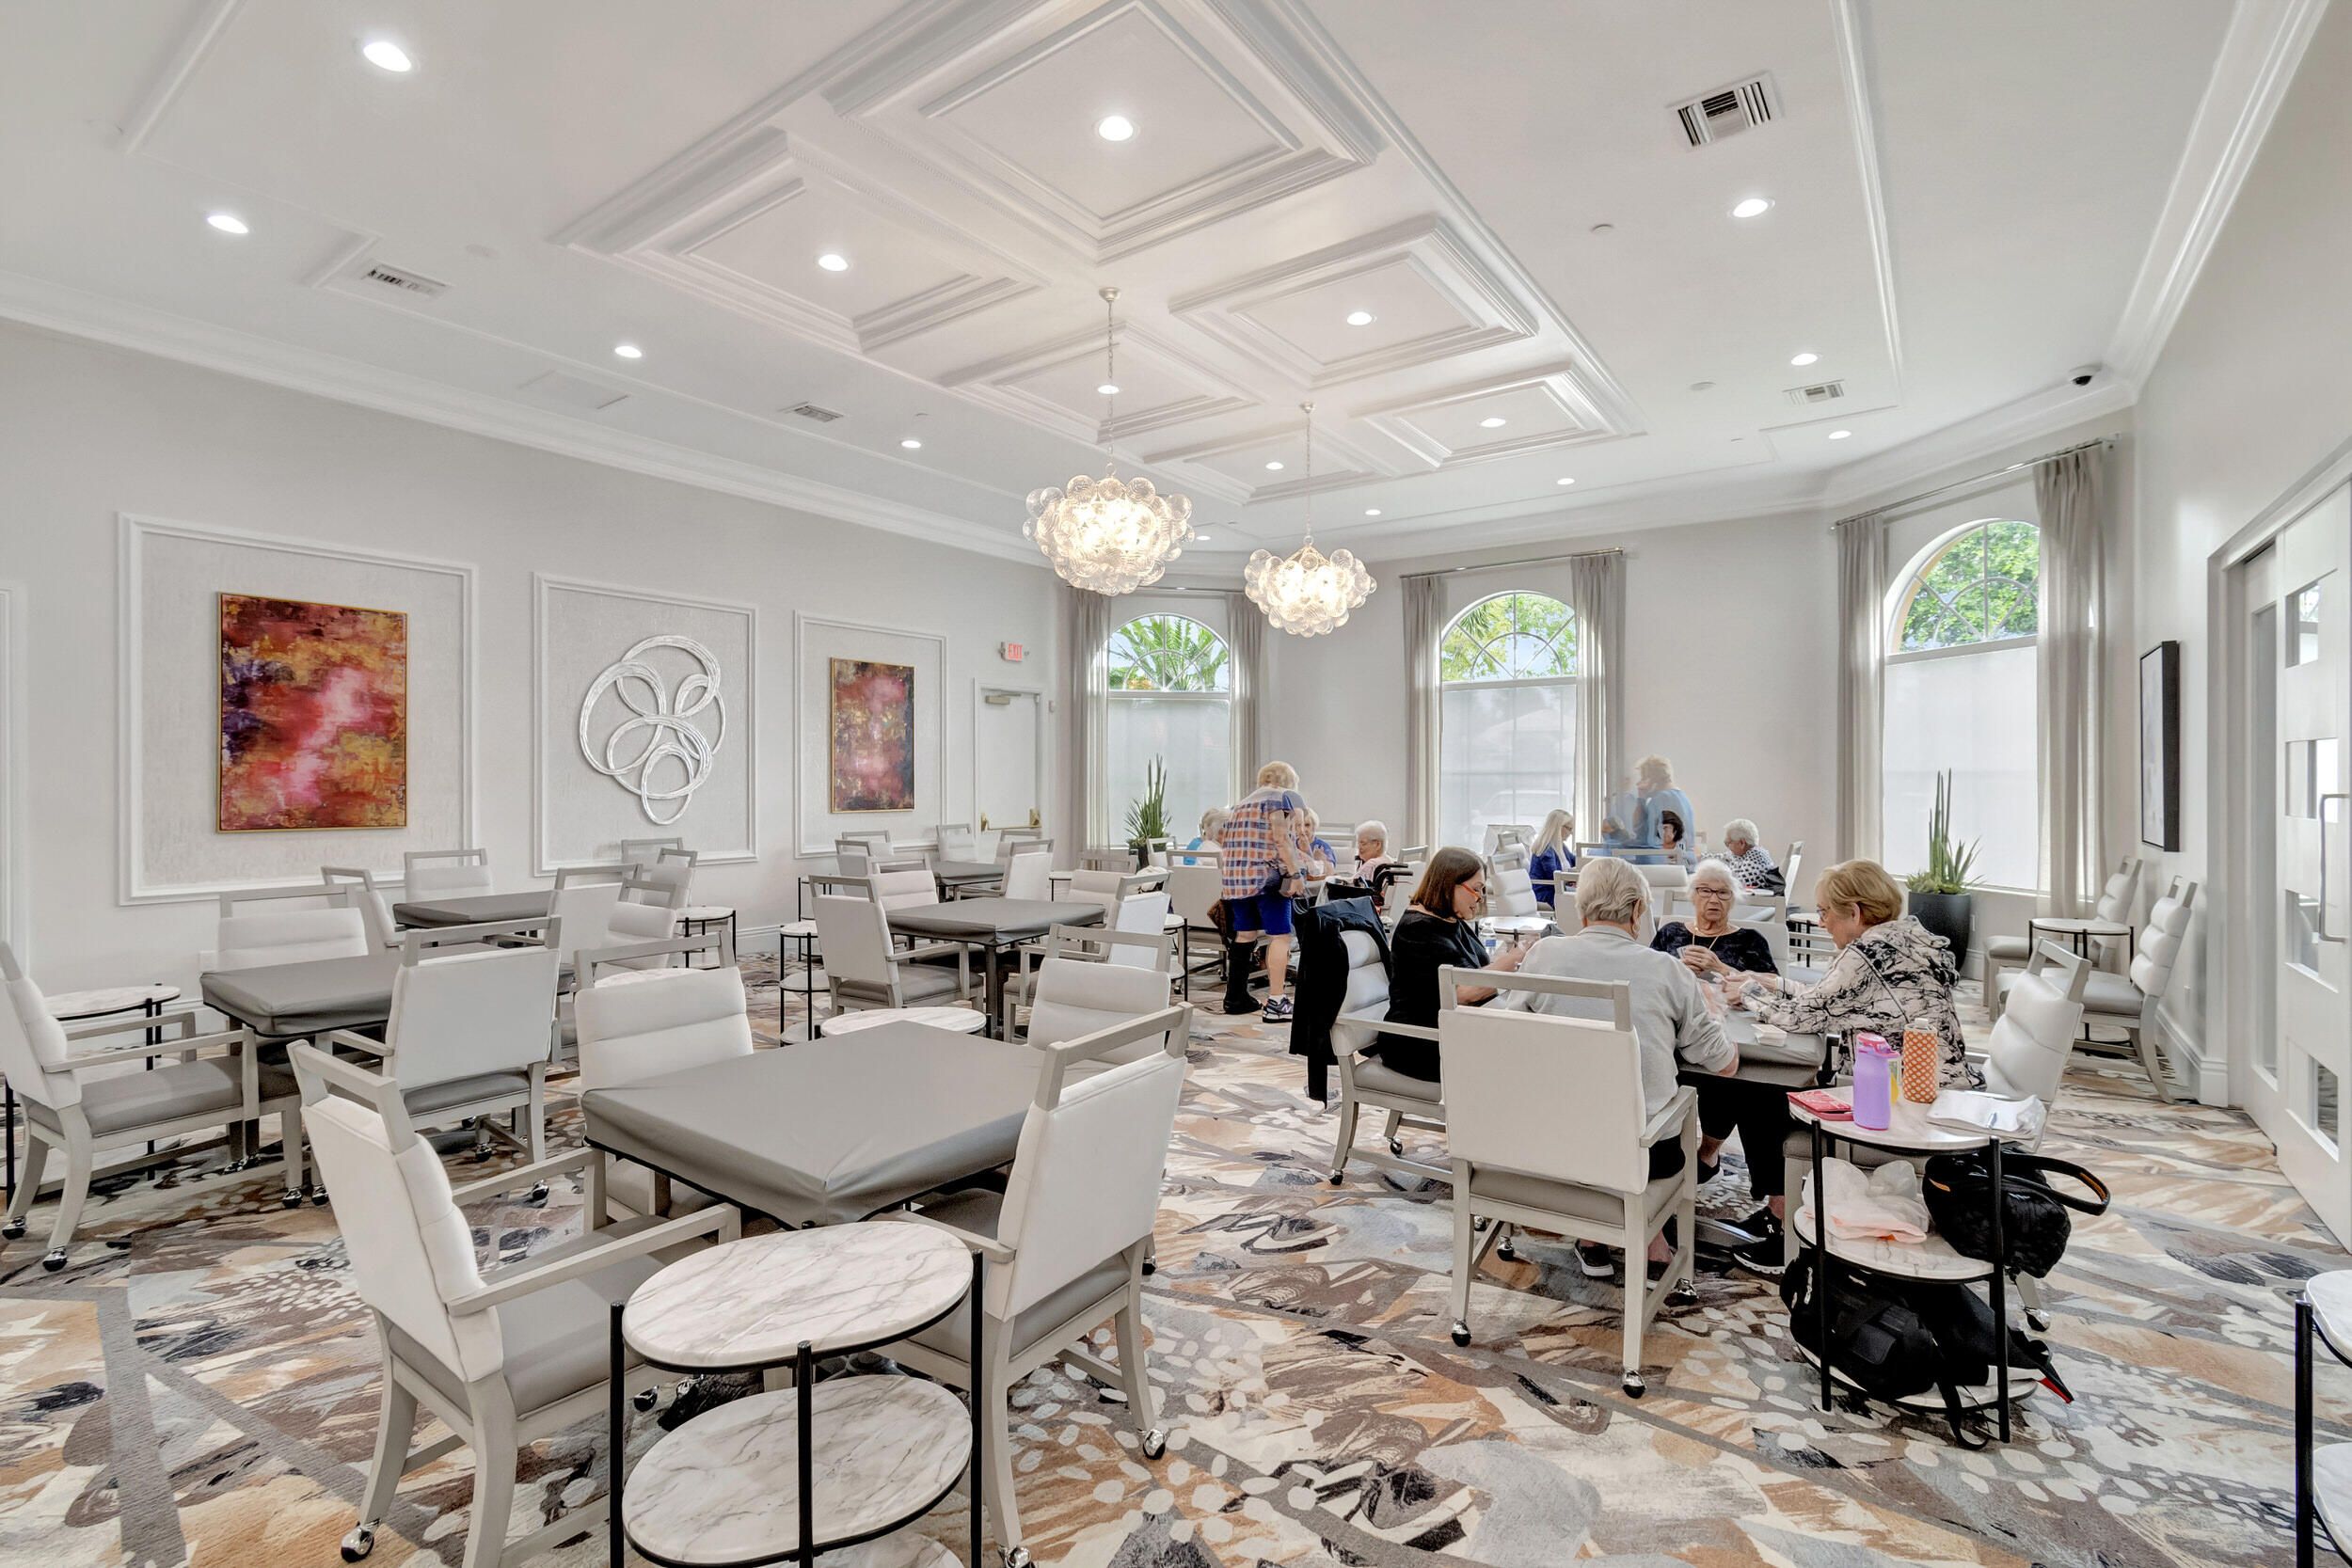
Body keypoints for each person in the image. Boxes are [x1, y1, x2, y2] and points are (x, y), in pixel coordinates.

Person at [1503, 856, 1737, 1277]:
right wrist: (1715, 1016)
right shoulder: (1668, 970)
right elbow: (1724, 1064)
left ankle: (1596, 1236)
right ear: (1637, 911)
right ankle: (1647, 1236)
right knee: (1657, 1111)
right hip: (1644, 1154)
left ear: (1582, 910)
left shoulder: (1543, 955)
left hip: (1555, 1141)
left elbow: (1510, 1032)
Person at [1654, 861, 1788, 1259]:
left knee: (1752, 1086)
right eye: (1705, 891)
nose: (1713, 899)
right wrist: (1676, 970)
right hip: (1673, 1038)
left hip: (1727, 1038)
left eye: (1722, 893)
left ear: (1734, 899)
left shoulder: (1750, 940)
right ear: (1692, 895)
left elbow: (1771, 993)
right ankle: (1664, 1179)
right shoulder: (1670, 934)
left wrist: (1721, 968)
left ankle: (1716, 1158)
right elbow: (1646, 979)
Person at [1729, 858, 1967, 1082]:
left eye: (1824, 912)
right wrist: (1774, 984)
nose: (1821, 922)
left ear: (1854, 913)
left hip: (1904, 1095)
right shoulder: (1906, 940)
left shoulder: (1867, 956)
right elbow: (1831, 998)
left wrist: (1747, 991)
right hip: (1943, 1085)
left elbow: (1797, 1017)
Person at [1373, 847, 1526, 1080]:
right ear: (1449, 885)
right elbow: (1463, 993)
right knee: (1519, 1060)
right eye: (1476, 889)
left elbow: (1476, 972)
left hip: (1452, 1031)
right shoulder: (1417, 929)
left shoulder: (1452, 918)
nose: (1479, 898)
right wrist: (1514, 958)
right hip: (1418, 1043)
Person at [1218, 763, 1307, 1020]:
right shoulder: (1279, 799)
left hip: (1235, 879)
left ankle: (1235, 998)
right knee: (1280, 936)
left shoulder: (1240, 805)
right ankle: (1276, 1002)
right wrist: (1295, 874)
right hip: (1266, 878)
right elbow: (1281, 839)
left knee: (1245, 934)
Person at [1632, 754, 1695, 858]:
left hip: (1664, 862)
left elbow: (1641, 833)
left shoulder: (1661, 799)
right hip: (1684, 860)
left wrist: (1641, 799)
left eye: (1643, 778)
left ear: (1653, 779)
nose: (1639, 783)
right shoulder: (1681, 796)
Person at [1715, 818, 1783, 893]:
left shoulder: (1757, 856)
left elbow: (1739, 884)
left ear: (1742, 843)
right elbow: (1721, 857)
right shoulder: (1743, 854)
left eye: (1728, 843)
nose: (1727, 847)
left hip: (1758, 897)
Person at [1526, 808, 1577, 909]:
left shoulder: (1560, 846)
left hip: (1557, 890)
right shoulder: (1546, 849)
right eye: (1569, 829)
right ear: (1558, 827)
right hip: (1546, 894)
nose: (1571, 833)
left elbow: (1575, 861)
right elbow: (1553, 876)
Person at [1353, 819, 1395, 884]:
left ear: (1377, 845)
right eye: (1358, 843)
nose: (1359, 847)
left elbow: (1353, 883)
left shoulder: (1371, 864)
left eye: (1363, 843)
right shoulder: (1390, 861)